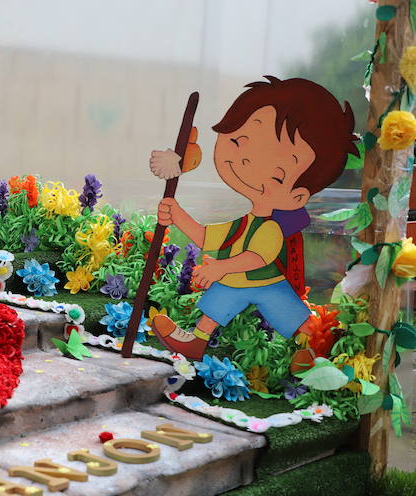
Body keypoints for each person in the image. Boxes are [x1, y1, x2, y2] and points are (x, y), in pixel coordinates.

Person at [149, 77, 358, 360]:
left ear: (296, 197)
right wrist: (176, 213)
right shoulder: (245, 222)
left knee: (295, 320)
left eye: (276, 174)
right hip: (236, 283)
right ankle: (195, 342)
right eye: (238, 141)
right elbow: (205, 237)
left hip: (266, 283)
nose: (246, 162)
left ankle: (313, 354)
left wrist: (220, 268)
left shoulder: (272, 227)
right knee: (215, 307)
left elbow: (257, 258)